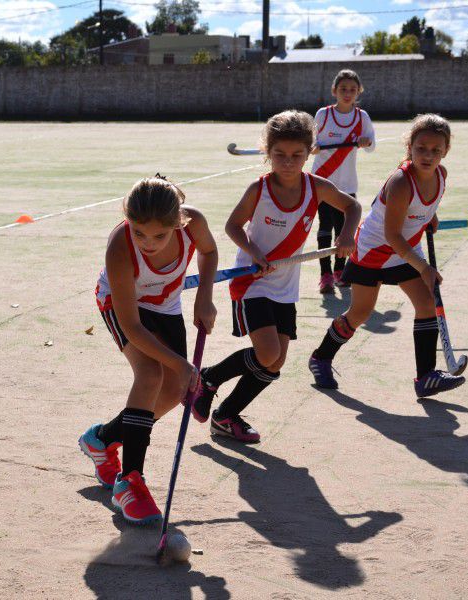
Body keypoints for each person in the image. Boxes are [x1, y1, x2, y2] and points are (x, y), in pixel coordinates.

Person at [189, 110, 360, 443]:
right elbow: (232, 226)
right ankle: (209, 379)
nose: (288, 162)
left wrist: (347, 236)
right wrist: (255, 252)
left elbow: (352, 207)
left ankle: (225, 416)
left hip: (286, 286)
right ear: (267, 152)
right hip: (252, 281)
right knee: (267, 354)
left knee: (275, 363)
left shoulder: (317, 186)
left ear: (310, 152)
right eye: (279, 155)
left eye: (297, 155)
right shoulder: (260, 189)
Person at [79, 175, 218, 524]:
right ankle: (130, 481)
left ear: (178, 222)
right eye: (139, 232)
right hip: (122, 305)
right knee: (150, 373)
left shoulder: (193, 223)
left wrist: (204, 297)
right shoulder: (121, 246)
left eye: (159, 235)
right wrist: (182, 363)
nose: (147, 243)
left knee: (172, 391)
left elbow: (210, 251)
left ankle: (103, 439)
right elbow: (133, 326)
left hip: (166, 304)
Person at [308, 114, 466, 398]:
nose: (428, 155)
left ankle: (426, 376)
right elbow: (393, 234)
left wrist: (430, 216)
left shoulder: (441, 175)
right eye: (421, 148)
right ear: (410, 147)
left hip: (406, 248)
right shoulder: (401, 182)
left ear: (445, 151)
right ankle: (320, 358)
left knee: (426, 303)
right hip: (375, 251)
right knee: (360, 312)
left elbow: (419, 208)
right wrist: (424, 267)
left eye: (436, 150)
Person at [312, 69, 375, 294]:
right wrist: (314, 146)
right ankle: (325, 275)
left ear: (358, 92)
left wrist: (366, 142)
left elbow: (371, 145)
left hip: (347, 184)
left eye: (352, 90)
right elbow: (311, 142)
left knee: (344, 231)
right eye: (343, 89)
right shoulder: (323, 115)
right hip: (321, 181)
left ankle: (340, 272)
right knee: (324, 228)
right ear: (334, 91)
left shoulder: (362, 117)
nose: (347, 93)